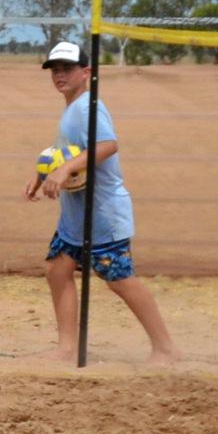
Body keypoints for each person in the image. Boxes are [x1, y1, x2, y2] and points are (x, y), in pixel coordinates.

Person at [26, 40, 181, 365]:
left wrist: (66, 168)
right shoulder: (74, 107)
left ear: (87, 72)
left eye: (67, 68)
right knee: (58, 270)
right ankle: (68, 349)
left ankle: (165, 347)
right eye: (54, 69)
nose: (59, 75)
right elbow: (63, 152)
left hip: (102, 215)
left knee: (120, 280)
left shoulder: (88, 107)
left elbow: (108, 145)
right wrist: (43, 175)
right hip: (76, 216)